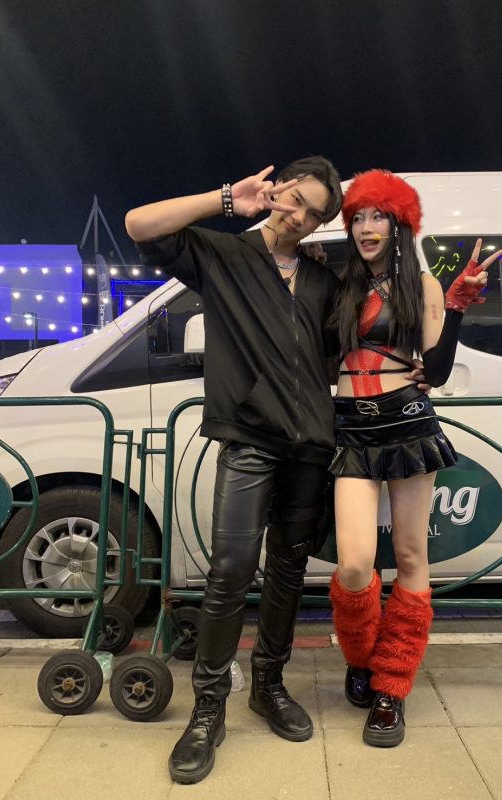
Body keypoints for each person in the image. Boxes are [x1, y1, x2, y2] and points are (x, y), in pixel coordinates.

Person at [125, 157, 345, 783]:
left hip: (311, 446)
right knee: (229, 571)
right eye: (295, 199)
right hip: (248, 439)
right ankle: (208, 709)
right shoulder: (224, 254)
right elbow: (139, 224)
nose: (299, 217)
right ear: (278, 189)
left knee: (289, 570)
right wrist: (228, 199)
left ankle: (268, 685)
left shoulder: (321, 279)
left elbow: (339, 351)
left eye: (315, 214)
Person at [328, 169, 502, 748]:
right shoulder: (340, 286)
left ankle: (392, 686)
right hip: (352, 429)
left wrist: (456, 306)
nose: (366, 228)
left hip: (407, 425)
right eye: (357, 217)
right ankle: (361, 658)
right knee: (355, 563)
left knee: (409, 554)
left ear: (399, 223)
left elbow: (440, 371)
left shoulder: (421, 285)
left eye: (378, 216)